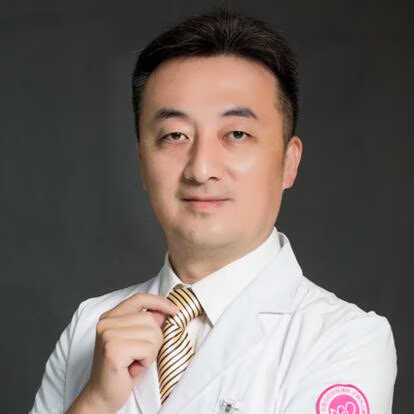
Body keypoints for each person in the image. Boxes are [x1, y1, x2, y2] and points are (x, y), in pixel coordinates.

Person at [29, 6, 397, 414]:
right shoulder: (89, 325)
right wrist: (95, 401)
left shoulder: (346, 339)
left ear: (288, 163)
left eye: (236, 134)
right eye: (175, 135)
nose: (201, 169)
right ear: (142, 163)